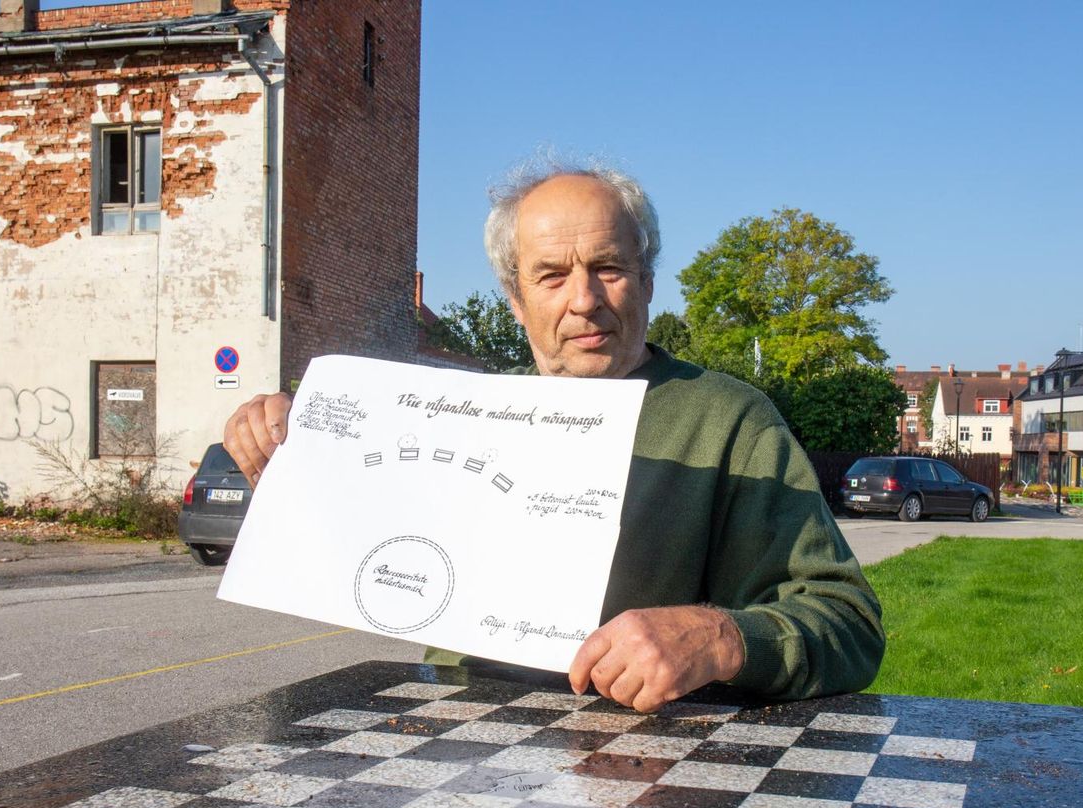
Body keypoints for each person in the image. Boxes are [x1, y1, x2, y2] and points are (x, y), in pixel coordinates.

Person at [224, 162, 884, 712]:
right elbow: (358, 536)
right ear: (515, 299)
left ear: (648, 280)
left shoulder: (727, 420)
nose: (584, 299)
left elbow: (849, 623)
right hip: (459, 758)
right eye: (551, 276)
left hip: (647, 778)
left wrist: (723, 638)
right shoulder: (458, 411)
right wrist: (294, 445)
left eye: (609, 267)